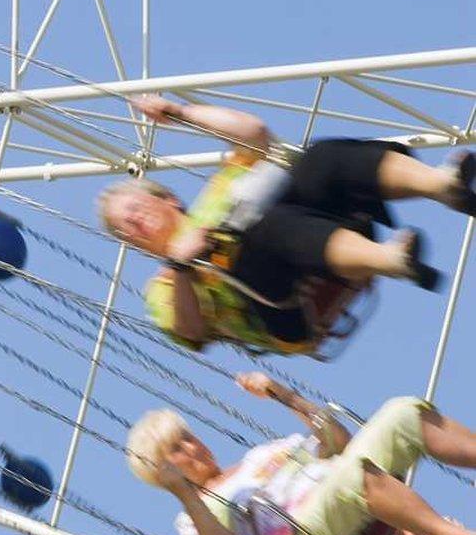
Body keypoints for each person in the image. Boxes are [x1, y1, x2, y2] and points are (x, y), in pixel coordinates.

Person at [99, 95, 476, 352]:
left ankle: (441, 185)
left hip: (319, 237)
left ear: (167, 198)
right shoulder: (163, 287)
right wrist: (182, 264)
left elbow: (254, 133)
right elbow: (190, 329)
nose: (133, 219)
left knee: (320, 158)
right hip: (284, 307)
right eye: (124, 226)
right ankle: (390, 259)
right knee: (261, 234)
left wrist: (179, 112)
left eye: (134, 206)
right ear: (132, 243)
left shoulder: (219, 189)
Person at [127, 372, 476, 535]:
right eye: (176, 449)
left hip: (340, 491)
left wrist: (284, 395)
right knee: (354, 475)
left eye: (187, 437)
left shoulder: (260, 455)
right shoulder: (193, 516)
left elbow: (338, 442)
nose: (192, 447)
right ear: (164, 472)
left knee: (402, 413)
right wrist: (184, 493)